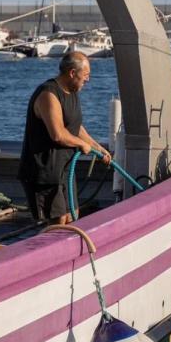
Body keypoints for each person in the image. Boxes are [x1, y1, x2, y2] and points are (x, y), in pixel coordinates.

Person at [18, 51, 111, 224]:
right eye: (86, 75)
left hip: (64, 169)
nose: (88, 80)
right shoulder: (49, 94)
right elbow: (58, 134)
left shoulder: (73, 92)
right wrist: (82, 145)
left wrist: (98, 148)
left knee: (72, 215)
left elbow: (75, 128)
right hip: (43, 171)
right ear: (72, 73)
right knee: (58, 221)